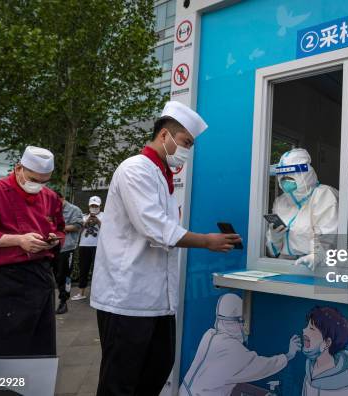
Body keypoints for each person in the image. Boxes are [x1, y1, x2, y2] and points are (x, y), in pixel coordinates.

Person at [90, 100, 243, 396]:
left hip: (157, 299)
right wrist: (205, 241)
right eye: (185, 142)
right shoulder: (135, 169)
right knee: (120, 381)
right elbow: (155, 227)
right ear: (164, 136)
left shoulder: (162, 176)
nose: (188, 150)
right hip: (126, 297)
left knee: (157, 367)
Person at [0, 146, 65, 357]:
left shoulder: (50, 196)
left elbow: (59, 230)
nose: (37, 186)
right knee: (3, 346)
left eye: (43, 181)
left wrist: (53, 240)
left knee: (38, 345)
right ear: (19, 168)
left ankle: (33, 386)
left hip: (40, 277)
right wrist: (18, 240)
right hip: (2, 280)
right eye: (33, 179)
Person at [179, 293, 300, 396]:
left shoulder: (209, 335)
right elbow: (263, 366)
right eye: (242, 321)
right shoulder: (231, 349)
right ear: (234, 321)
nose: (243, 326)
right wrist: (288, 355)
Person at [266, 148, 338, 270]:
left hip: (317, 268)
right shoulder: (281, 201)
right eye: (282, 177)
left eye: (290, 177)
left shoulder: (323, 195)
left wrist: (316, 255)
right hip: (283, 266)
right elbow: (272, 252)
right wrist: (274, 238)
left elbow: (329, 235)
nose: (285, 181)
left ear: (304, 175)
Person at [302, 306, 348, 396]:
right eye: (307, 326)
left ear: (327, 342)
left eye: (311, 329)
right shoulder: (310, 369)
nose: (304, 330)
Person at [53, 191, 83, 314]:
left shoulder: (74, 210)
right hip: (52, 247)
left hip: (67, 247)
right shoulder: (52, 209)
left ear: (62, 198)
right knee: (54, 275)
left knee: (64, 275)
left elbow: (77, 226)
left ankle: (63, 302)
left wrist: (58, 227)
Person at [71, 195, 103, 301]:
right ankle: (81, 293)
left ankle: (97, 294)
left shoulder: (105, 216)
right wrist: (88, 220)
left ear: (100, 206)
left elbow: (108, 229)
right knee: (83, 269)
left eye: (96, 205)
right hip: (84, 246)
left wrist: (97, 221)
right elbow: (78, 230)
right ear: (89, 206)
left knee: (98, 270)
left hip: (99, 246)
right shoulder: (84, 216)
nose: (94, 207)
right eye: (92, 205)